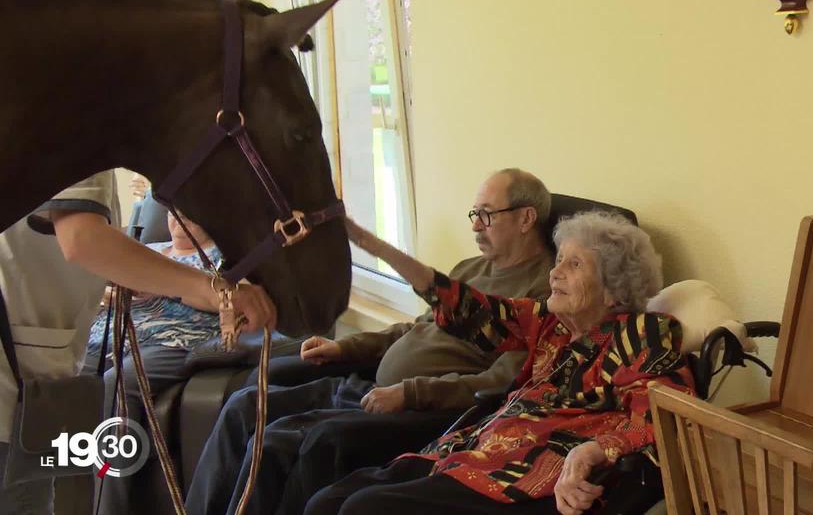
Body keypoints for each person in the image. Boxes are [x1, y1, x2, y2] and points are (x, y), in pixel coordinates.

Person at [186, 168, 555, 515]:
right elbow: (413, 329)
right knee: (244, 404)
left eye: (487, 214)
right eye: (474, 213)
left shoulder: (541, 296)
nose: (476, 225)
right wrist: (348, 347)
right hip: (369, 384)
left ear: (526, 219)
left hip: (412, 408)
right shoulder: (470, 269)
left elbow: (500, 385)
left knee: (272, 443)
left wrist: (408, 393)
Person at [303, 210, 696, 515]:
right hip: (470, 454)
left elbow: (662, 419)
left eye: (575, 265)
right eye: (559, 260)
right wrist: (373, 244)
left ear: (614, 291)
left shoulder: (643, 335)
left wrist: (593, 451)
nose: (555, 273)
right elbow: (468, 309)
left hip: (525, 478)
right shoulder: (551, 324)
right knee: (327, 501)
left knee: (364, 509)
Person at [0, 171, 276, 515]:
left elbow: (82, 240)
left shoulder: (222, 262)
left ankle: (106, 500)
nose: (178, 217)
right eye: (173, 211)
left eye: (188, 210)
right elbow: (84, 242)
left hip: (166, 340)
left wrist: (203, 288)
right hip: (56, 348)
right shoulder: (148, 250)